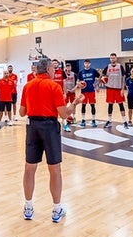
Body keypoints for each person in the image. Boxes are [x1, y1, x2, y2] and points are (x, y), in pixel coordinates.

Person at [19, 58, 84, 223]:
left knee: (29, 168)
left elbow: (21, 112)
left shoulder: (28, 86)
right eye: (54, 68)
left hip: (32, 127)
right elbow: (63, 114)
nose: (55, 71)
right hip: (49, 127)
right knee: (54, 169)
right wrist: (74, 104)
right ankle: (56, 209)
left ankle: (28, 207)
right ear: (48, 69)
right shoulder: (54, 86)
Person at [103, 53, 128, 128]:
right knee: (110, 105)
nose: (112, 59)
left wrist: (123, 89)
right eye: (111, 58)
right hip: (110, 89)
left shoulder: (120, 66)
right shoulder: (107, 67)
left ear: (116, 58)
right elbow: (103, 75)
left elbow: (123, 77)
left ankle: (124, 121)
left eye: (113, 58)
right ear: (110, 59)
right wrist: (98, 83)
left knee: (121, 105)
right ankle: (109, 121)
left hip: (118, 89)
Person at [77, 59, 100, 127]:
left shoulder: (93, 71)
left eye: (88, 63)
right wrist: (79, 84)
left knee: (92, 105)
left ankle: (93, 120)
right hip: (84, 91)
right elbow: (77, 81)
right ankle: (83, 120)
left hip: (91, 91)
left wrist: (96, 85)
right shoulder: (81, 72)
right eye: (85, 63)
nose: (87, 64)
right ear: (84, 64)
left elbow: (100, 77)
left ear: (90, 64)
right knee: (83, 105)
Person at [62, 63, 77, 132]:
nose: (68, 68)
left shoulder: (74, 74)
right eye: (67, 66)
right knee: (64, 105)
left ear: (71, 67)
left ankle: (74, 117)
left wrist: (74, 89)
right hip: (66, 92)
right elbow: (62, 83)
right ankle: (64, 119)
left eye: (69, 66)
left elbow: (77, 83)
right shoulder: (63, 74)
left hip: (72, 91)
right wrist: (65, 90)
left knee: (73, 104)